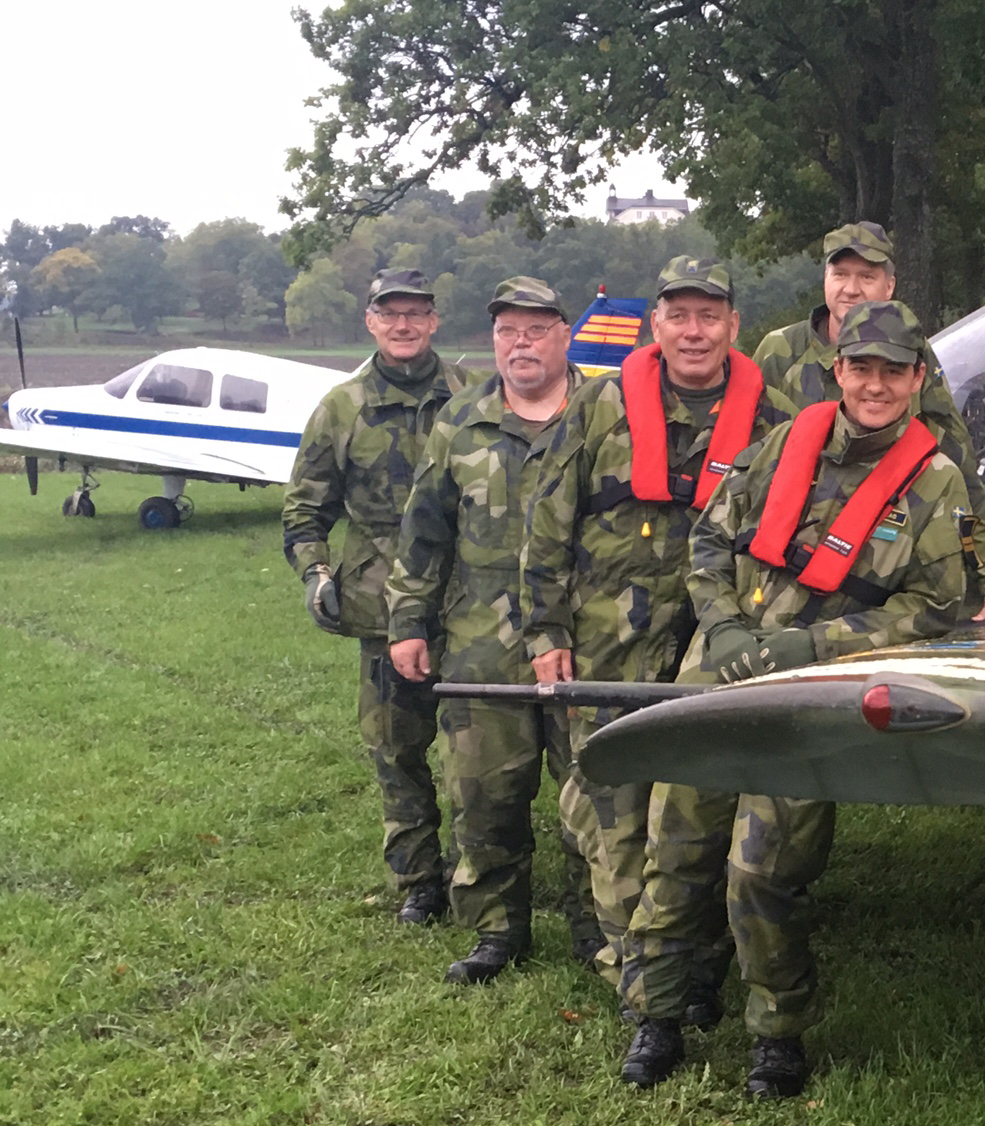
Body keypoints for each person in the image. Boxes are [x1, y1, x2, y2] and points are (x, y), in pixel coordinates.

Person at [648, 299, 972, 1099]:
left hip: (809, 695)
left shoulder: (935, 483)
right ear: (838, 372)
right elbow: (710, 539)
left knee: (763, 869)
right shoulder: (781, 444)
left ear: (917, 379)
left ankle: (776, 1031)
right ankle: (657, 1012)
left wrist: (817, 645)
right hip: (716, 673)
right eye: (861, 368)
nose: (875, 385)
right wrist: (722, 624)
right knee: (676, 846)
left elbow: (935, 608)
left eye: (893, 371)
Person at [520, 258, 798, 1061]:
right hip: (611, 646)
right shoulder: (597, 407)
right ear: (657, 325)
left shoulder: (778, 420)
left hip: (718, 646)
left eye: (710, 316)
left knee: (700, 818)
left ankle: (697, 969)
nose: (694, 331)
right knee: (610, 814)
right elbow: (547, 524)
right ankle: (639, 977)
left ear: (733, 326)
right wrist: (545, 632)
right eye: (679, 315)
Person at [382, 276, 599, 984]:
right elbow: (424, 531)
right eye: (508, 331)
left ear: (563, 335)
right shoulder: (462, 421)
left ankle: (597, 926)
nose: (521, 343)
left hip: (583, 638)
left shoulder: (604, 413)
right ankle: (497, 929)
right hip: (481, 641)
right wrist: (408, 621)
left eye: (536, 330)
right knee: (482, 793)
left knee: (593, 788)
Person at [281, 269, 473, 926]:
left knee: (474, 748)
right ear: (371, 321)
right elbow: (305, 509)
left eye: (415, 313)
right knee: (396, 748)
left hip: (469, 600)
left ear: (434, 320)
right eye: (390, 314)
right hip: (382, 606)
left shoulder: (472, 395)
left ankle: (478, 871)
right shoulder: (341, 408)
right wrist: (316, 573)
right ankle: (419, 878)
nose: (403, 325)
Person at [752, 220, 985, 621]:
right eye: (840, 274)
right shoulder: (779, 352)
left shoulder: (911, 355)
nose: (851, 288)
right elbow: (746, 468)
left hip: (874, 564)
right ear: (825, 279)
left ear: (889, 286)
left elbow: (957, 459)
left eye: (867, 276)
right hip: (781, 557)